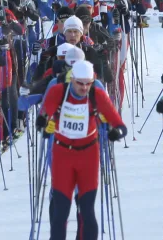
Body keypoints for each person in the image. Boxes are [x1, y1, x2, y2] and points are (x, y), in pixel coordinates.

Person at [39, 60, 126, 240]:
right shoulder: (59, 91)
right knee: (61, 211)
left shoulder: (96, 94)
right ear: (72, 80)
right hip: (63, 155)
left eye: (88, 83)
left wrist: (117, 131)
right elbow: (45, 111)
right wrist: (42, 121)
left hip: (88, 155)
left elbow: (115, 119)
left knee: (87, 209)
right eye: (80, 83)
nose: (84, 88)